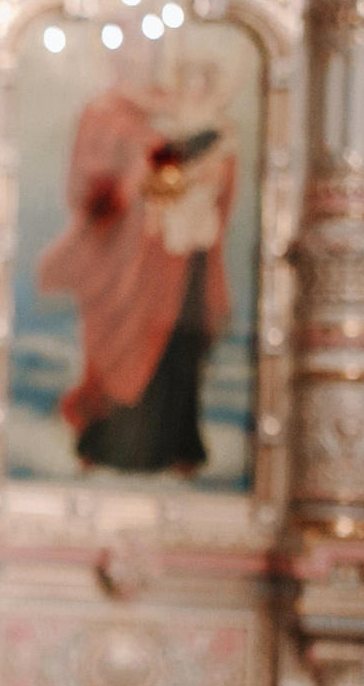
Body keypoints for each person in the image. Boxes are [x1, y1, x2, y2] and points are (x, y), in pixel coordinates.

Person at [35, 29, 236, 475]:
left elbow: (209, 159)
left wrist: (195, 165)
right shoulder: (103, 112)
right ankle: (104, 445)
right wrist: (134, 180)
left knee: (176, 351)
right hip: (121, 264)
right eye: (123, 43)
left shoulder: (175, 106)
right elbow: (88, 189)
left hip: (176, 260)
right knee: (118, 352)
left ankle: (176, 449)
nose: (133, 54)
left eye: (142, 43)